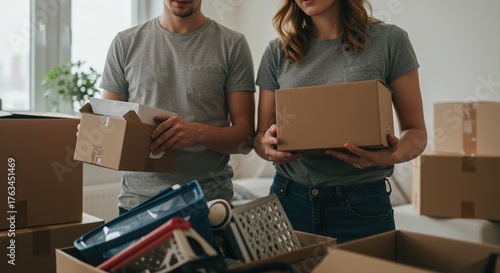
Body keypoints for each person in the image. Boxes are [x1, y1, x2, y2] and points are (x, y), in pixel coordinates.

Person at [253, 0, 427, 243]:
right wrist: (267, 146)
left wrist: (387, 157)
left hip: (362, 204)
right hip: (289, 201)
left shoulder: (389, 40)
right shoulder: (277, 51)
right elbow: (260, 137)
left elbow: (417, 133)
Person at [99, 0, 256, 214]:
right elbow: (108, 126)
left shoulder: (232, 44)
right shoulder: (125, 42)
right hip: (138, 204)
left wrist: (198, 133)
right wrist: (96, 131)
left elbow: (246, 139)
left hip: (208, 203)